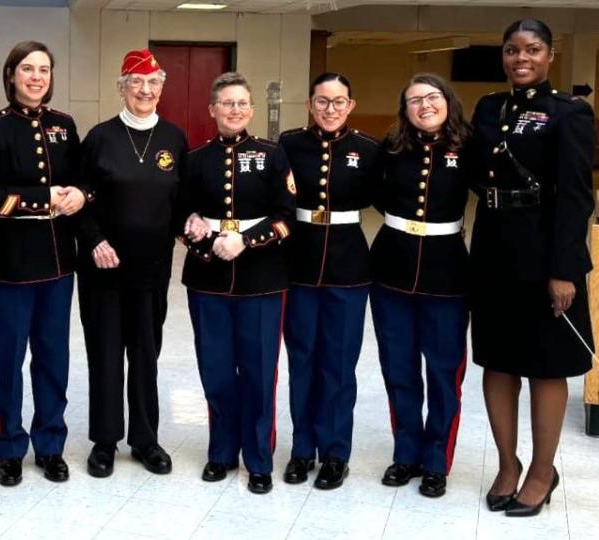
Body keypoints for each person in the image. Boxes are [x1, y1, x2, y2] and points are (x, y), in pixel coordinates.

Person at [470, 19, 595, 517]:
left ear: (550, 54)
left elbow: (577, 197)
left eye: (532, 49)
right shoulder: (488, 108)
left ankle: (543, 471)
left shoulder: (569, 113)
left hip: (545, 254)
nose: (520, 58)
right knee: (497, 361)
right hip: (494, 247)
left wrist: (565, 268)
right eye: (511, 50)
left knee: (546, 366)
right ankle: (507, 464)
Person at [0, 41, 85, 487]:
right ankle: (10, 446)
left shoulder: (64, 125)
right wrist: (43, 198)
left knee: (54, 356)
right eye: (27, 69)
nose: (36, 77)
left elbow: (80, 177)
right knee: (10, 359)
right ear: (11, 75)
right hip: (10, 263)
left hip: (58, 260)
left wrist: (80, 194)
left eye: (44, 70)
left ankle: (51, 444)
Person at [180, 72, 296, 495]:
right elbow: (181, 214)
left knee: (259, 372)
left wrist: (245, 241)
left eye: (241, 103)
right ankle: (222, 452)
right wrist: (201, 235)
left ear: (251, 109)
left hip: (262, 280)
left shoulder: (271, 155)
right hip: (208, 278)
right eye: (226, 103)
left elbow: (287, 217)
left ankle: (259, 459)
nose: (234, 110)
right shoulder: (196, 158)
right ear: (212, 110)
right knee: (215, 370)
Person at [77, 49, 187, 478]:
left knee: (145, 354)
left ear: (161, 88)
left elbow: (182, 201)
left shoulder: (174, 139)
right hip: (102, 267)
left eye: (153, 83)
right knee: (104, 354)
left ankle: (145, 439)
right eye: (136, 83)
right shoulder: (100, 137)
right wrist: (95, 240)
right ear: (121, 87)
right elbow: (79, 198)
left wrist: (191, 222)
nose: (145, 90)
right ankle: (104, 441)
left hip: (151, 269)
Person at [370, 73, 471, 499]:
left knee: (444, 372)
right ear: (404, 108)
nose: (424, 105)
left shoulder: (469, 148)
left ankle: (436, 460)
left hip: (446, 272)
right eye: (414, 100)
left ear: (448, 101)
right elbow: (372, 192)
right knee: (399, 368)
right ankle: (406, 452)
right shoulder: (391, 150)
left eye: (432, 97)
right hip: (391, 266)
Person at [279, 73, 381, 489]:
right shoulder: (289, 145)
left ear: (351, 105)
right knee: (302, 361)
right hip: (299, 263)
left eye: (339, 101)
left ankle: (336, 453)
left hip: (348, 266)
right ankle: (302, 449)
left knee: (339, 365)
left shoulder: (368, 150)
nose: (330, 109)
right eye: (322, 101)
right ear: (309, 104)